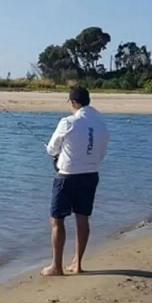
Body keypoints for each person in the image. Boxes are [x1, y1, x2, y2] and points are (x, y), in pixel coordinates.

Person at [43, 85, 109, 276]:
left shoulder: (68, 122)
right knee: (82, 218)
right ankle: (77, 263)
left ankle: (56, 266)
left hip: (67, 176)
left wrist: (56, 155)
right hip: (91, 175)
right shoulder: (101, 123)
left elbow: (51, 149)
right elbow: (101, 152)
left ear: (73, 102)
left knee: (57, 220)